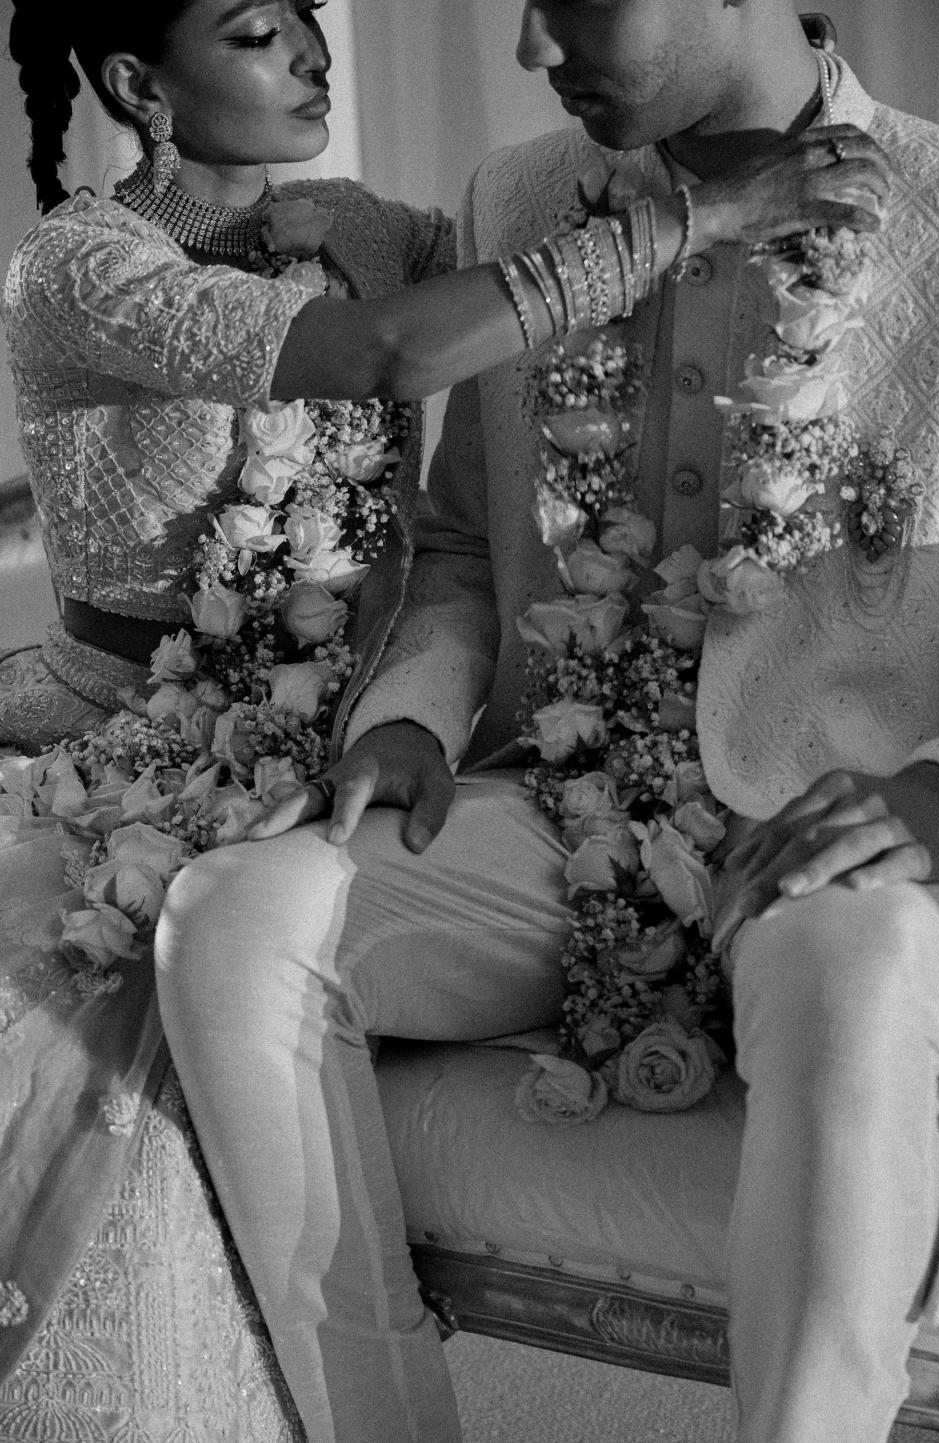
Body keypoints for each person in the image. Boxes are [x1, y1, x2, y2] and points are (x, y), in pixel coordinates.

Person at [0, 3, 872, 1441]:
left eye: (305, 20)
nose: (314, 55)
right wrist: (691, 214)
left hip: (359, 723)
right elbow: (391, 356)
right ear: (136, 83)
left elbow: (517, 319)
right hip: (133, 740)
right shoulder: (81, 270)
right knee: (84, 1012)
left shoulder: (364, 222)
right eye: (259, 31)